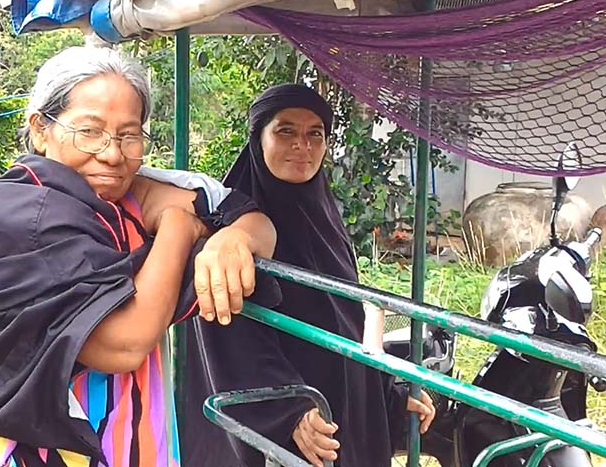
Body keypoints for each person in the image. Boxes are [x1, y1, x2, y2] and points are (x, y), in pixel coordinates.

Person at [0, 46, 278, 467]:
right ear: (41, 129)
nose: (112, 154)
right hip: (39, 448)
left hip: (131, 434)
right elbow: (124, 344)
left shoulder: (126, 198)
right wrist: (180, 228)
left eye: (129, 135)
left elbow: (253, 222)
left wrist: (233, 239)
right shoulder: (15, 218)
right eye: (89, 131)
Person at [182, 84, 435, 467]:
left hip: (336, 413)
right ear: (258, 139)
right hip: (289, 425)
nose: (302, 145)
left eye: (315, 133)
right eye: (285, 131)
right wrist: (289, 408)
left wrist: (388, 394)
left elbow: (344, 320)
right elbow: (227, 334)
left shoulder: (325, 219)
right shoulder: (231, 229)